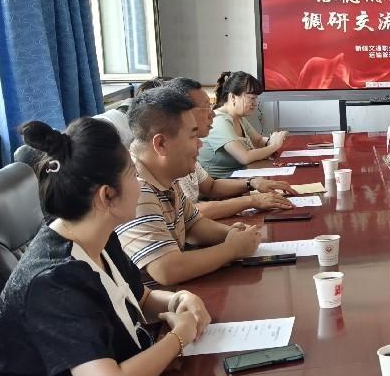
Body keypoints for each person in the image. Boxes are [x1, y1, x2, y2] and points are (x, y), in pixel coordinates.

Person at [0, 118, 211, 376]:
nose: (140, 183)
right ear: (106, 196)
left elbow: (138, 297)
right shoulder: (54, 279)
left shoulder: (98, 236)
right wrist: (178, 337)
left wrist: (177, 300)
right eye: (132, 174)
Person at [120, 87, 262, 285]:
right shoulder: (136, 190)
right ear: (161, 144)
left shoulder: (164, 176)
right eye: (192, 136)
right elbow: (167, 269)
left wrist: (231, 234)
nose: (200, 144)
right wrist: (231, 249)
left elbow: (193, 224)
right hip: (162, 302)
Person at [151, 77, 294, 219]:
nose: (213, 113)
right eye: (206, 107)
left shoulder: (185, 150)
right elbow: (187, 213)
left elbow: (211, 186)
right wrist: (251, 201)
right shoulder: (167, 159)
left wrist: (251, 183)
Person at [198, 71, 289, 178]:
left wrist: (271, 140)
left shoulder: (238, 117)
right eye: (252, 98)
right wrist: (274, 145)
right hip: (221, 183)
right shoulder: (219, 121)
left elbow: (258, 140)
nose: (255, 103)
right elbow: (244, 157)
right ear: (233, 97)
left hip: (241, 177)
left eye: (256, 98)